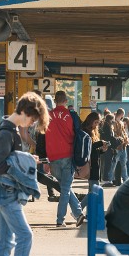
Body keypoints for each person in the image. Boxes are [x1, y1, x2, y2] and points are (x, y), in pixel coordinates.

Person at [0, 91, 49, 256]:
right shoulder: (6, 133)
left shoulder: (7, 129)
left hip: (3, 192)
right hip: (6, 194)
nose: (32, 123)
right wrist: (24, 165)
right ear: (24, 111)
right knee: (25, 235)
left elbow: (8, 159)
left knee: (6, 239)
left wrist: (25, 158)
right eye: (32, 118)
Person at [46, 90, 82, 227]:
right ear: (66, 101)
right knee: (65, 189)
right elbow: (78, 132)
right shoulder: (70, 115)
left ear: (55, 101)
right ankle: (60, 220)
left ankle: (78, 214)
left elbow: (43, 135)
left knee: (65, 188)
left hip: (53, 157)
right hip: (68, 155)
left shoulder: (48, 115)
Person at [75, 112, 110, 225]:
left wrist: (102, 150)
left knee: (93, 190)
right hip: (90, 164)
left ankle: (86, 213)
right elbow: (88, 147)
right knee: (93, 191)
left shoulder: (93, 132)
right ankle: (78, 210)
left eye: (98, 123)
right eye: (95, 122)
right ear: (90, 121)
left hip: (94, 163)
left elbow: (94, 151)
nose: (96, 125)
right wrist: (100, 143)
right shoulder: (85, 132)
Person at [109, 108, 129, 185]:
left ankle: (124, 178)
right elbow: (116, 134)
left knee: (120, 164)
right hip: (118, 146)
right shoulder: (115, 122)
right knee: (116, 164)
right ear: (122, 114)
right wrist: (123, 140)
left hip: (122, 145)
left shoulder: (119, 122)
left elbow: (123, 133)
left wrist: (125, 139)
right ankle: (112, 179)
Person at [99, 113, 118, 187]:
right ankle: (106, 180)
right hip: (108, 147)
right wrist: (115, 141)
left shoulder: (105, 126)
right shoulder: (107, 127)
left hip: (106, 147)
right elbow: (109, 137)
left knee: (106, 163)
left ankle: (106, 179)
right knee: (108, 163)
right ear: (111, 119)